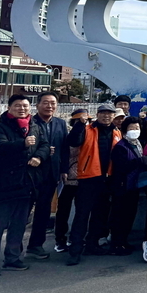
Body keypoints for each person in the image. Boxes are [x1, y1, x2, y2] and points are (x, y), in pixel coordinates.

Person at [0, 94, 50, 275]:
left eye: (25, 106)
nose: (22, 109)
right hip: (6, 184)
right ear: (9, 108)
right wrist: (22, 144)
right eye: (17, 106)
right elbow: (0, 148)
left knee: (19, 224)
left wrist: (39, 157)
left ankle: (12, 258)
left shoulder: (34, 126)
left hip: (27, 183)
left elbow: (45, 145)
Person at [66, 103, 122, 265]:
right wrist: (79, 125)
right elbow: (73, 141)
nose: (106, 116)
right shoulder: (87, 129)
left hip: (107, 179)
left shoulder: (117, 132)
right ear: (97, 115)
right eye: (103, 113)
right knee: (82, 215)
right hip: (88, 178)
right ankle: (75, 250)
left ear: (113, 116)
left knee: (100, 215)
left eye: (109, 113)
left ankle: (92, 244)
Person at [26, 90, 67, 260]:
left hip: (51, 174)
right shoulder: (29, 122)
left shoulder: (60, 123)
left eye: (53, 103)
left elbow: (64, 149)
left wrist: (63, 170)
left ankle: (35, 246)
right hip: (30, 174)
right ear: (37, 105)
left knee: (43, 212)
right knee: (23, 212)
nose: (49, 106)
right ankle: (14, 249)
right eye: (45, 102)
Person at [110, 116, 147, 256]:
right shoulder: (120, 147)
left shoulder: (138, 144)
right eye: (131, 128)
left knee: (129, 215)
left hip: (134, 186)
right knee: (120, 216)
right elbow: (121, 167)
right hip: (123, 187)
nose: (135, 130)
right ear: (125, 130)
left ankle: (124, 241)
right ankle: (117, 244)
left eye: (137, 128)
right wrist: (140, 161)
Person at [55, 108, 88, 253]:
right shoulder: (68, 135)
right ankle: (60, 239)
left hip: (84, 179)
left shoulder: (90, 133)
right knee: (63, 211)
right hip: (67, 179)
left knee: (81, 212)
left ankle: (75, 238)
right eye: (78, 120)